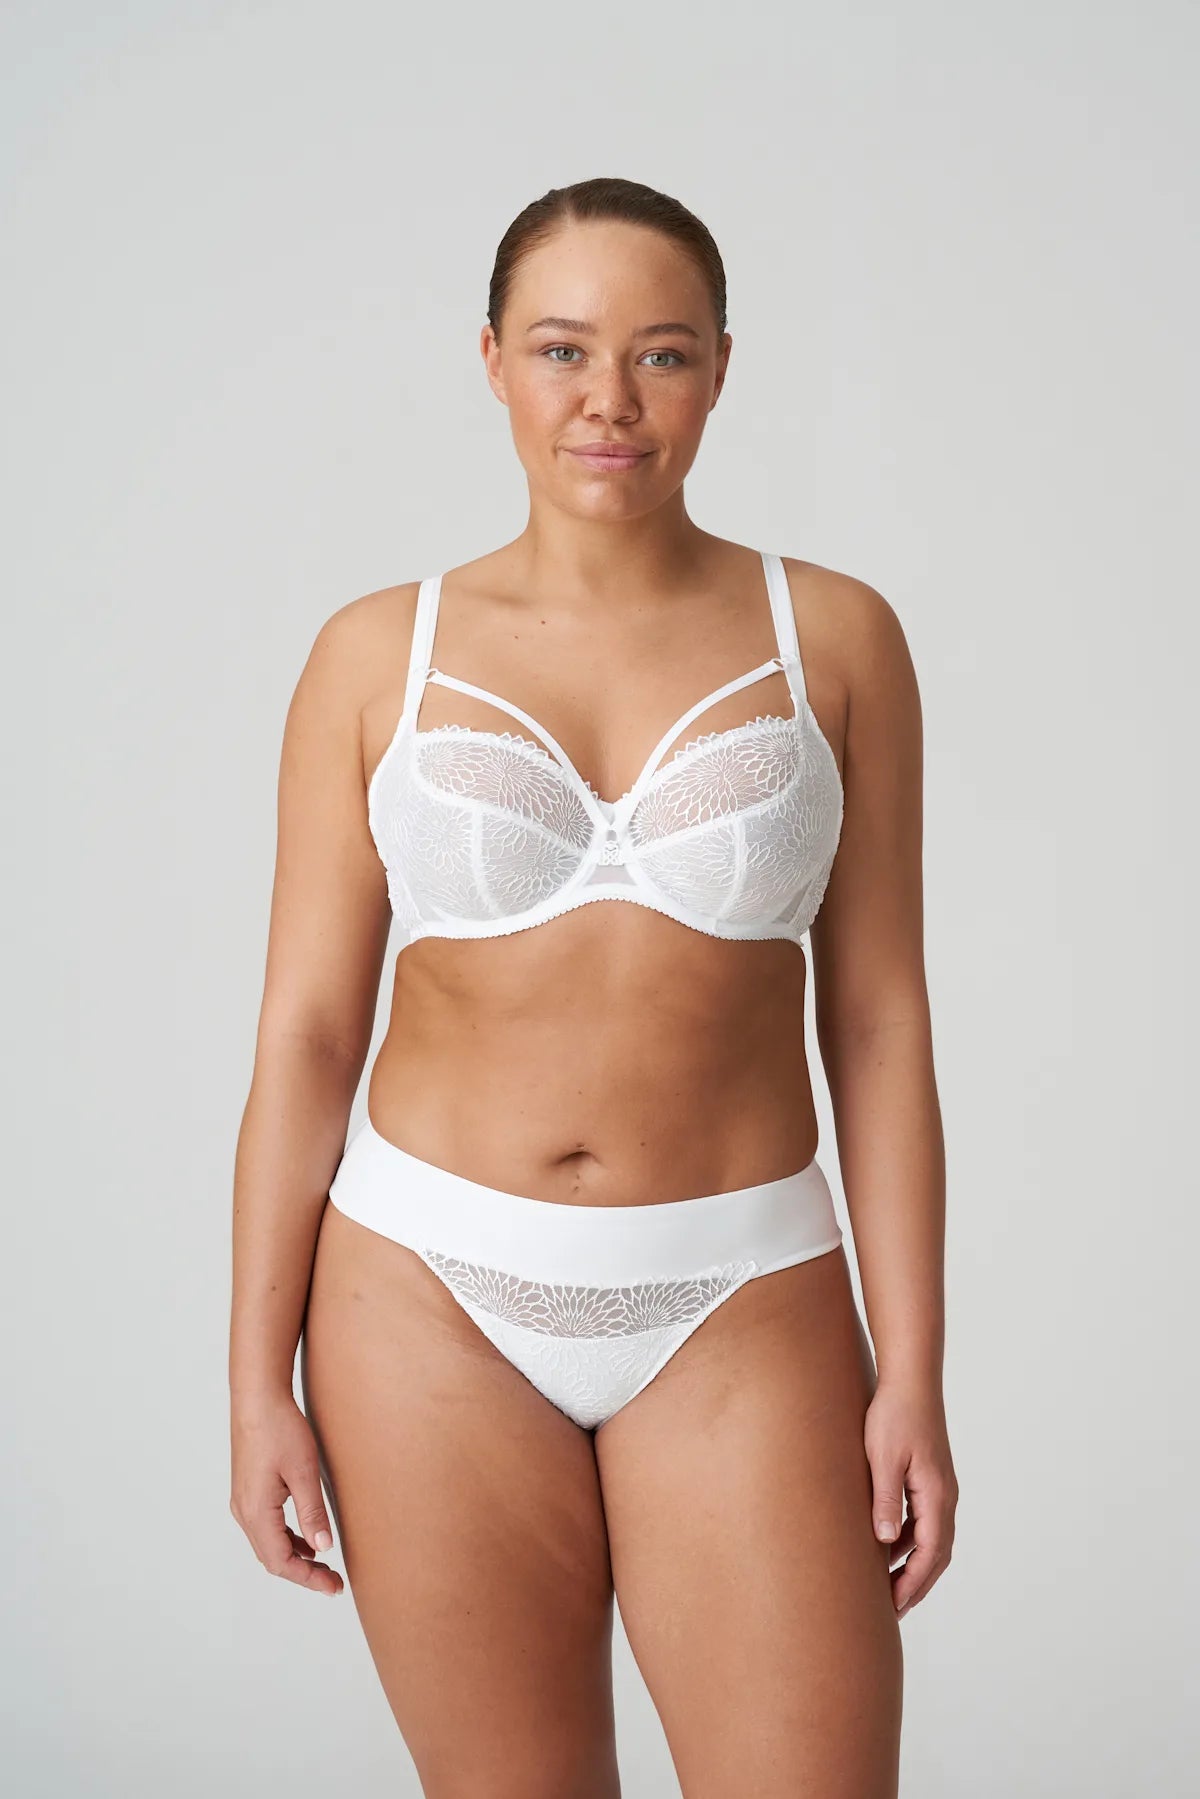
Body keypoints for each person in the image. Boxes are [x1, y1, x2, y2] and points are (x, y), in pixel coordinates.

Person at [229, 175, 957, 1798]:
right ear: (491, 359)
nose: (609, 401)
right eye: (563, 349)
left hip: (741, 1293)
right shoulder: (375, 653)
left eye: (662, 354)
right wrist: (252, 1379)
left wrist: (912, 1367)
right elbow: (307, 1035)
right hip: (424, 1295)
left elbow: (879, 1023)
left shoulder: (836, 637)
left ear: (720, 369)